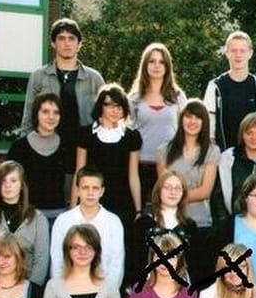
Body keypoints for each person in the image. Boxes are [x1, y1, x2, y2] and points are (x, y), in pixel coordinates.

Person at [21, 18, 104, 186]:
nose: (67, 43)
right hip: (48, 153)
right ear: (53, 43)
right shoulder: (38, 77)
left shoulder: (94, 78)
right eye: (61, 38)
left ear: (79, 44)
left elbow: (105, 118)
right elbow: (28, 118)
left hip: (84, 154)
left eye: (71, 38)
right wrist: (26, 152)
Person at [73, 83, 143, 225]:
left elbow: (133, 176)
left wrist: (138, 210)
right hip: (92, 200)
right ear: (101, 106)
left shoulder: (132, 136)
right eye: (110, 105)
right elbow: (78, 173)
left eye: (119, 107)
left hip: (122, 203)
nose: (115, 110)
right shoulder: (86, 134)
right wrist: (73, 207)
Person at [0, 160, 49, 287]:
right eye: (3, 181)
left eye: (13, 181)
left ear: (22, 185)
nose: (8, 185)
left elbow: (41, 259)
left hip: (27, 287)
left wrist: (32, 290)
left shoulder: (38, 219)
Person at [129, 43, 188, 204]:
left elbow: (187, 130)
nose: (157, 65)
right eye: (152, 61)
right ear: (145, 65)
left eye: (161, 62)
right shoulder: (134, 98)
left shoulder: (178, 96)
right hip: (140, 165)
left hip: (171, 165)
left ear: (167, 66)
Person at [50, 167, 124, 287]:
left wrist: (107, 293)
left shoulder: (113, 222)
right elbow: (57, 261)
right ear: (77, 190)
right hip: (68, 288)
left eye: (95, 188)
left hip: (103, 290)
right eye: (85, 188)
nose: (90, 193)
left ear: (102, 191)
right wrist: (62, 291)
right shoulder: (63, 220)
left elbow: (116, 265)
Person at [156, 98, 221, 232]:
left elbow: (205, 191)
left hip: (200, 222)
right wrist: (175, 195)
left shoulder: (212, 151)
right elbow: (164, 190)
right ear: (181, 119)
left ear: (204, 122)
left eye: (198, 118)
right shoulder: (163, 151)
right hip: (169, 222)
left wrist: (175, 195)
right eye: (188, 116)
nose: (192, 121)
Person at [203, 31, 256, 151]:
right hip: (223, 156)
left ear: (250, 53)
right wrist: (213, 154)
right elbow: (209, 126)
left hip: (254, 156)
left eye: (242, 51)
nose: (238, 55)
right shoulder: (215, 86)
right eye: (234, 50)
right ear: (227, 53)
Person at [211, 114, 256, 222]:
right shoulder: (228, 161)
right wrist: (226, 225)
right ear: (242, 135)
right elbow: (218, 199)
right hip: (233, 225)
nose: (254, 138)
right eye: (249, 133)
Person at [136, 171, 198, 284]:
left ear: (183, 193)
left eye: (177, 188)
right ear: (158, 191)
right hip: (148, 284)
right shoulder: (143, 224)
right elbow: (134, 261)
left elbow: (195, 264)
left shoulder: (190, 226)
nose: (173, 192)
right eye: (167, 187)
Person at [8, 92, 66, 211]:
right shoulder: (19, 147)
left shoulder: (66, 146)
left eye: (56, 112)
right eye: (45, 111)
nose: (51, 117)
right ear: (36, 114)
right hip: (27, 214)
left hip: (58, 214)